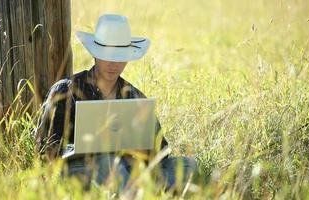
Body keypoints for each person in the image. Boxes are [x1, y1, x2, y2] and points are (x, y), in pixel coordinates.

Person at [35, 14, 197, 192]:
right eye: (107, 55)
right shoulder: (66, 90)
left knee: (188, 165)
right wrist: (82, 149)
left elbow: (161, 151)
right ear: (95, 54)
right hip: (81, 171)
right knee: (110, 162)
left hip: (131, 168)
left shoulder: (135, 96)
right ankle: (142, 190)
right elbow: (45, 148)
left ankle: (138, 188)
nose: (113, 63)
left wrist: (138, 150)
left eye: (120, 55)